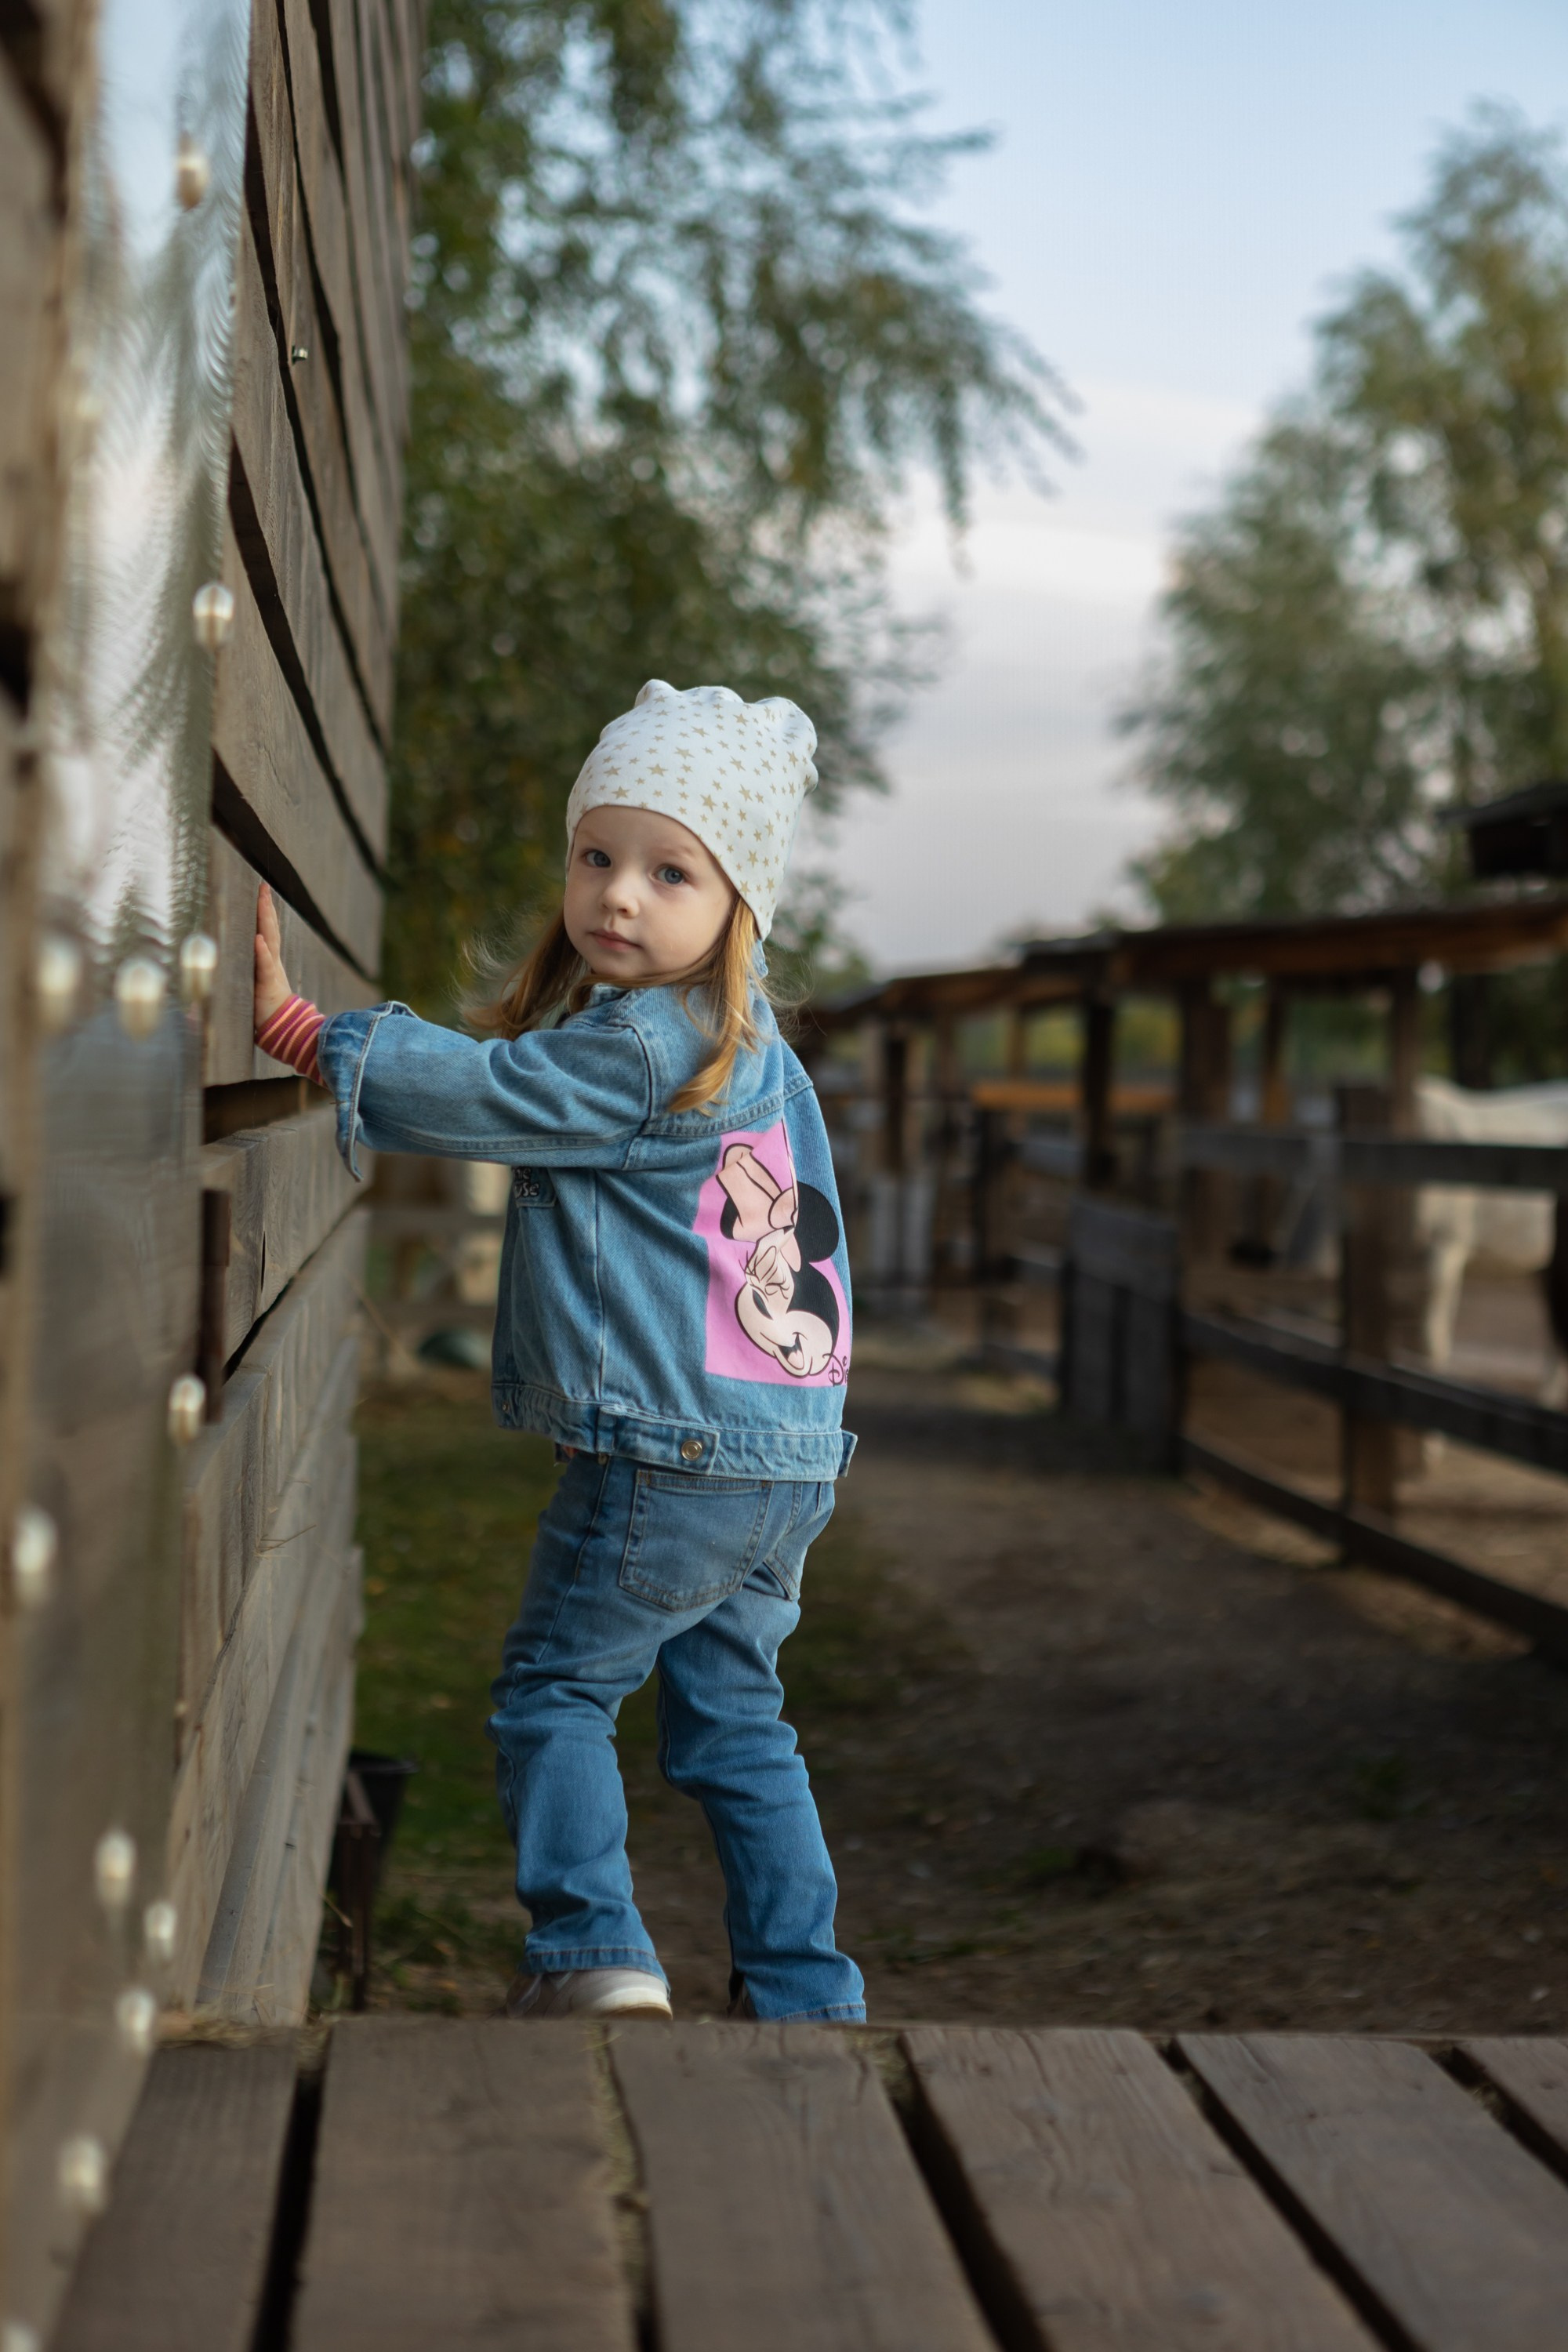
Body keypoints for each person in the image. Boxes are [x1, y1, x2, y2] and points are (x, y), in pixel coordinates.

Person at [252, 680, 866, 2025]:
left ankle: (591, 1950)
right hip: (786, 1455)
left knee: (553, 1690)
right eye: (597, 856)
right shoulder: (758, 1057)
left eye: (670, 872)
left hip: (673, 1453)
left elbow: (491, 1093)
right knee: (738, 1725)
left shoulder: (651, 1044)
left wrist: (310, 1038)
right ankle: (808, 1996)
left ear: (740, 905)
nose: (619, 895)